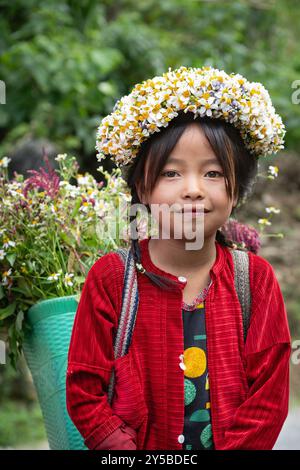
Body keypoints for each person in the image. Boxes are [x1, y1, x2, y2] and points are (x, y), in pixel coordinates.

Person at [66, 66, 291, 450]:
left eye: (214, 173)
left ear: (236, 190)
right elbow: (85, 389)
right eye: (171, 173)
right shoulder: (112, 280)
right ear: (142, 186)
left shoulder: (255, 280)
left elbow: (268, 400)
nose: (192, 190)